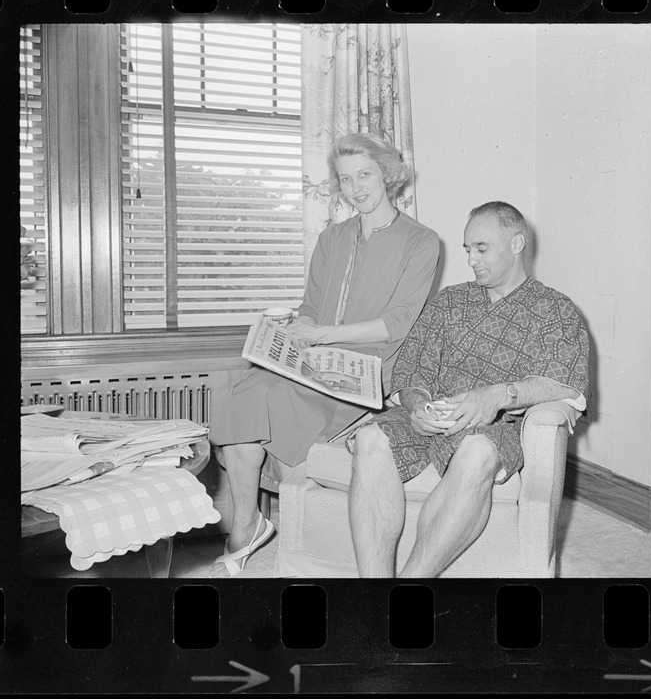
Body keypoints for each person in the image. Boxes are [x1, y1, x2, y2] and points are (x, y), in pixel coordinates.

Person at [209, 132, 440, 577]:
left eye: (366, 174)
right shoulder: (332, 237)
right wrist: (294, 333)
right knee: (242, 396)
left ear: (389, 175)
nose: (356, 188)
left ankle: (243, 536)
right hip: (313, 359)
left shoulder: (421, 240)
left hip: (368, 371)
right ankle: (247, 525)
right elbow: (311, 307)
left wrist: (320, 335)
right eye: (346, 179)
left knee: (269, 400)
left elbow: (398, 323)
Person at [347, 201, 589, 578]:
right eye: (467, 250)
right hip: (430, 422)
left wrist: (497, 396)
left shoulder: (555, 310)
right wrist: (419, 404)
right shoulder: (449, 302)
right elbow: (411, 370)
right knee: (370, 439)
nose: (472, 259)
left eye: (481, 248)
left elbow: (563, 382)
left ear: (517, 244)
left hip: (492, 429)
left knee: (477, 452)